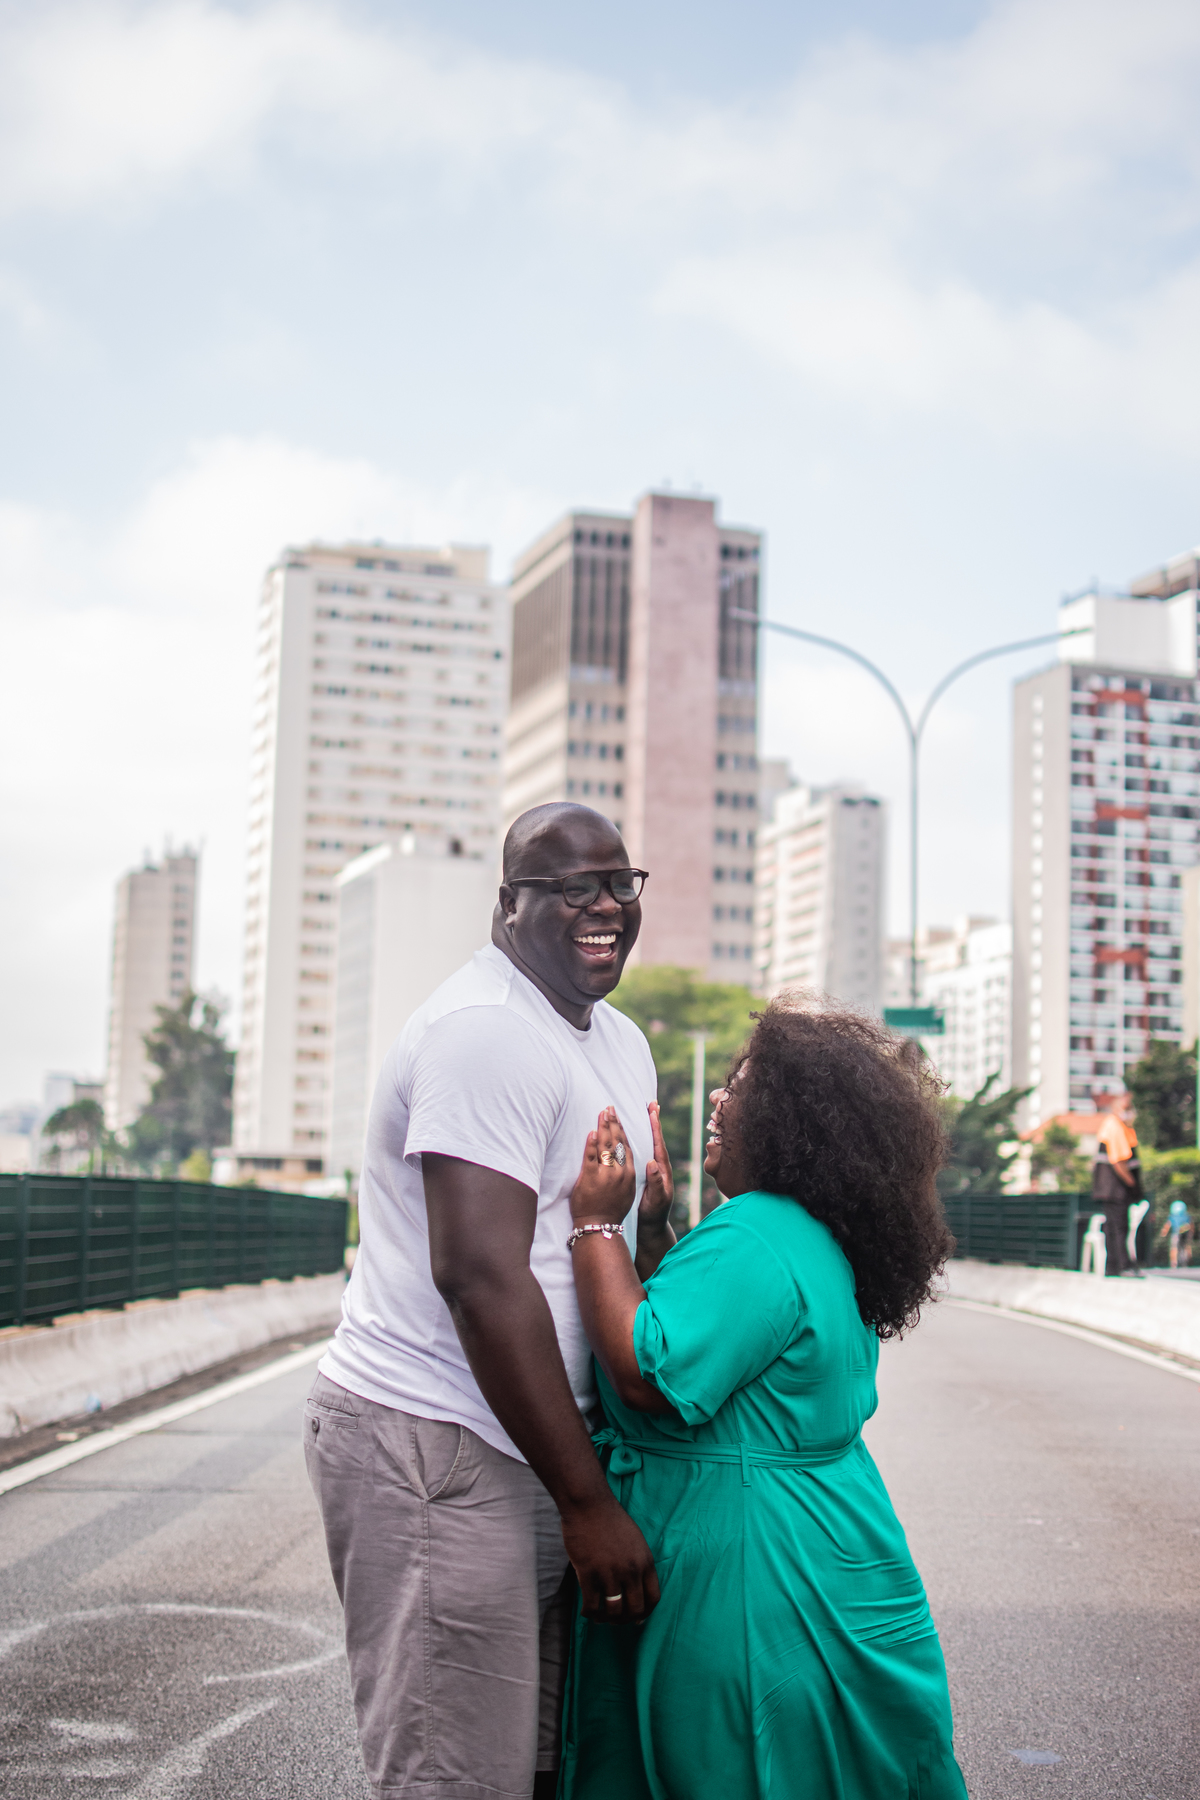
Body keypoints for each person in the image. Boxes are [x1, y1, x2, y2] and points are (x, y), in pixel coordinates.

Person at [303, 803, 676, 1800]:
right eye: (569, 888)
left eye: (618, 883)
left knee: (544, 1768)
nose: (602, 905)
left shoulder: (620, 1040)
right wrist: (588, 1503)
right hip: (439, 1444)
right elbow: (478, 1275)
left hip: (546, 1445)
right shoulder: (487, 1035)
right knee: (455, 1775)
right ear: (509, 905)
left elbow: (611, 1236)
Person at [558, 997, 968, 1800]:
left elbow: (649, 1373)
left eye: (740, 1086)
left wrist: (595, 1226)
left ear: (793, 1122)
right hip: (824, 1548)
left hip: (756, 1577)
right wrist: (653, 1240)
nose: (718, 1099)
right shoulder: (806, 1234)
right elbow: (730, 1352)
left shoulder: (758, 1232)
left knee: (736, 1769)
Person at [1093, 1094, 1142, 1278]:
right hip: (1116, 1189)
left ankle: (1113, 1266)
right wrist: (1132, 1185)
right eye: (1127, 1108)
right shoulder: (1115, 1127)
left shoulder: (1113, 1125)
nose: (1130, 1113)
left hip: (1108, 1189)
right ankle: (1123, 1266)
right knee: (1120, 1227)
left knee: (1113, 1226)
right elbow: (1119, 1162)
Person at [1162, 1197, 1194, 1270]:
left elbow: (1168, 1224)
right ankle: (1183, 1261)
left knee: (1174, 1247)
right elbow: (1191, 1226)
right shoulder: (1186, 1216)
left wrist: (1164, 1232)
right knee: (1184, 1247)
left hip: (1177, 1233)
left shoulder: (1173, 1216)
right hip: (1184, 1233)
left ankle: (1174, 1263)